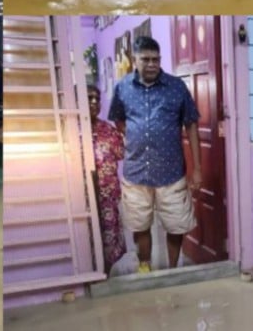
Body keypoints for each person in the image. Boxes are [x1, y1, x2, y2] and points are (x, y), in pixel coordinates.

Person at [108, 36, 202, 274]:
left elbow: (191, 124)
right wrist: (137, 137)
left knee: (176, 225)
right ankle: (145, 268)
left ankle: (172, 269)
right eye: (145, 59)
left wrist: (197, 168)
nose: (151, 64)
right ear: (134, 60)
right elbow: (119, 119)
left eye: (156, 59)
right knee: (140, 225)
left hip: (171, 171)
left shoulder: (176, 87)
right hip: (136, 171)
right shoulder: (122, 88)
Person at [87, 84, 126, 275]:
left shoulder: (108, 130)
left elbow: (120, 154)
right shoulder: (71, 129)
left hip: (107, 195)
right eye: (89, 98)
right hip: (83, 195)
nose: (94, 102)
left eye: (96, 99)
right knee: (87, 235)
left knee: (109, 234)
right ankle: (90, 273)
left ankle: (106, 273)